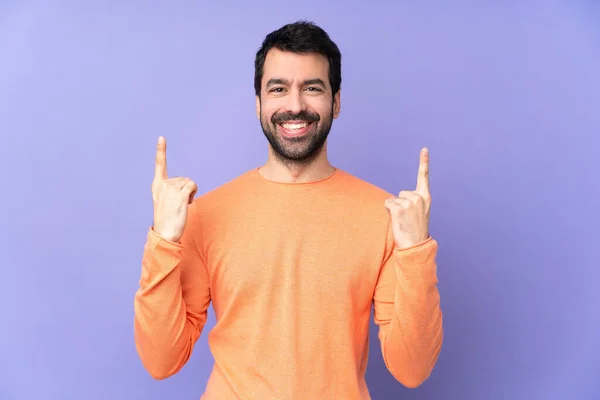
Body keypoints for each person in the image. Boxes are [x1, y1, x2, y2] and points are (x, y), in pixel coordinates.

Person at [133, 20, 443, 400]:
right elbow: (161, 360)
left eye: (312, 88)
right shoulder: (205, 213)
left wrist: (415, 251)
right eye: (278, 89)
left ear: (337, 102)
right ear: (260, 103)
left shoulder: (385, 218)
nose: (294, 105)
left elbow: (412, 370)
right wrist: (163, 241)